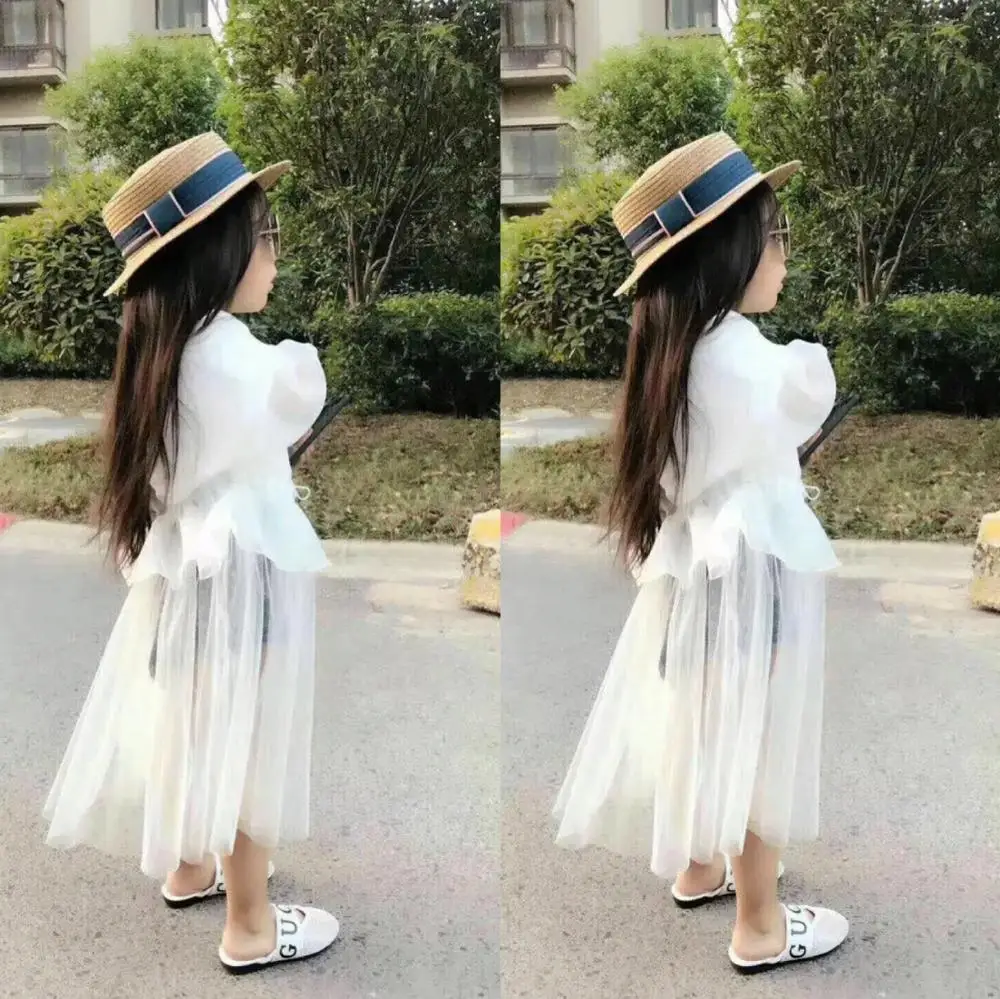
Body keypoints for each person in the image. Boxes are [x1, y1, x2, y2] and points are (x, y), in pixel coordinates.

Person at [552, 132, 851, 974]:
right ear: (728, 252)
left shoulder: (669, 356)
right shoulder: (757, 364)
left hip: (697, 567)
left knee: (703, 714)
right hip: (755, 562)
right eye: (774, 235)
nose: (784, 254)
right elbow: (800, 407)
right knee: (757, 731)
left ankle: (700, 863)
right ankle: (759, 924)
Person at [42, 132, 340, 975]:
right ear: (217, 252)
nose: (275, 254)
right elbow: (287, 407)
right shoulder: (246, 362)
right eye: (265, 235)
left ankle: (189, 864)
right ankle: (250, 925)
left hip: (185, 568)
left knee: (193, 715)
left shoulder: (158, 356)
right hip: (244, 564)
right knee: (249, 731)